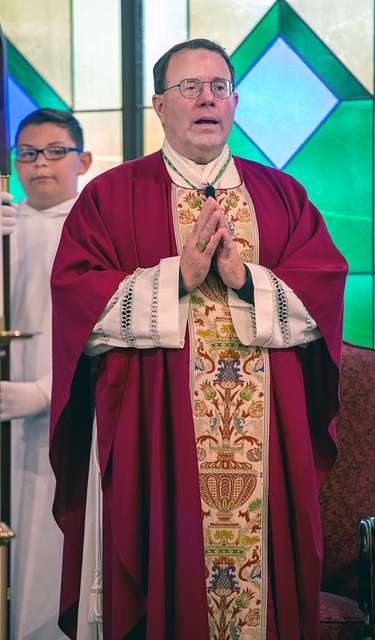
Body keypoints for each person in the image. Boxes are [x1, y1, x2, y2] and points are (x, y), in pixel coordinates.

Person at [50, 39, 348, 640]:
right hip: (157, 436)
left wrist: (244, 281)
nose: (206, 99)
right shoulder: (110, 197)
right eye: (189, 88)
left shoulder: (282, 196)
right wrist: (174, 280)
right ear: (159, 105)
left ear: (235, 102)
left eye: (218, 87)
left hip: (268, 444)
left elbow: (323, 301)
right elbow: (75, 302)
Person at [0, 108, 92, 639]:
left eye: (55, 151)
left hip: (70, 423)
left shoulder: (97, 231)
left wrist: (43, 393)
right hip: (5, 425)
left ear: (83, 159)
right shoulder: (9, 222)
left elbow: (109, 337)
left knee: (52, 562)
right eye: (28, 153)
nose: (41, 164)